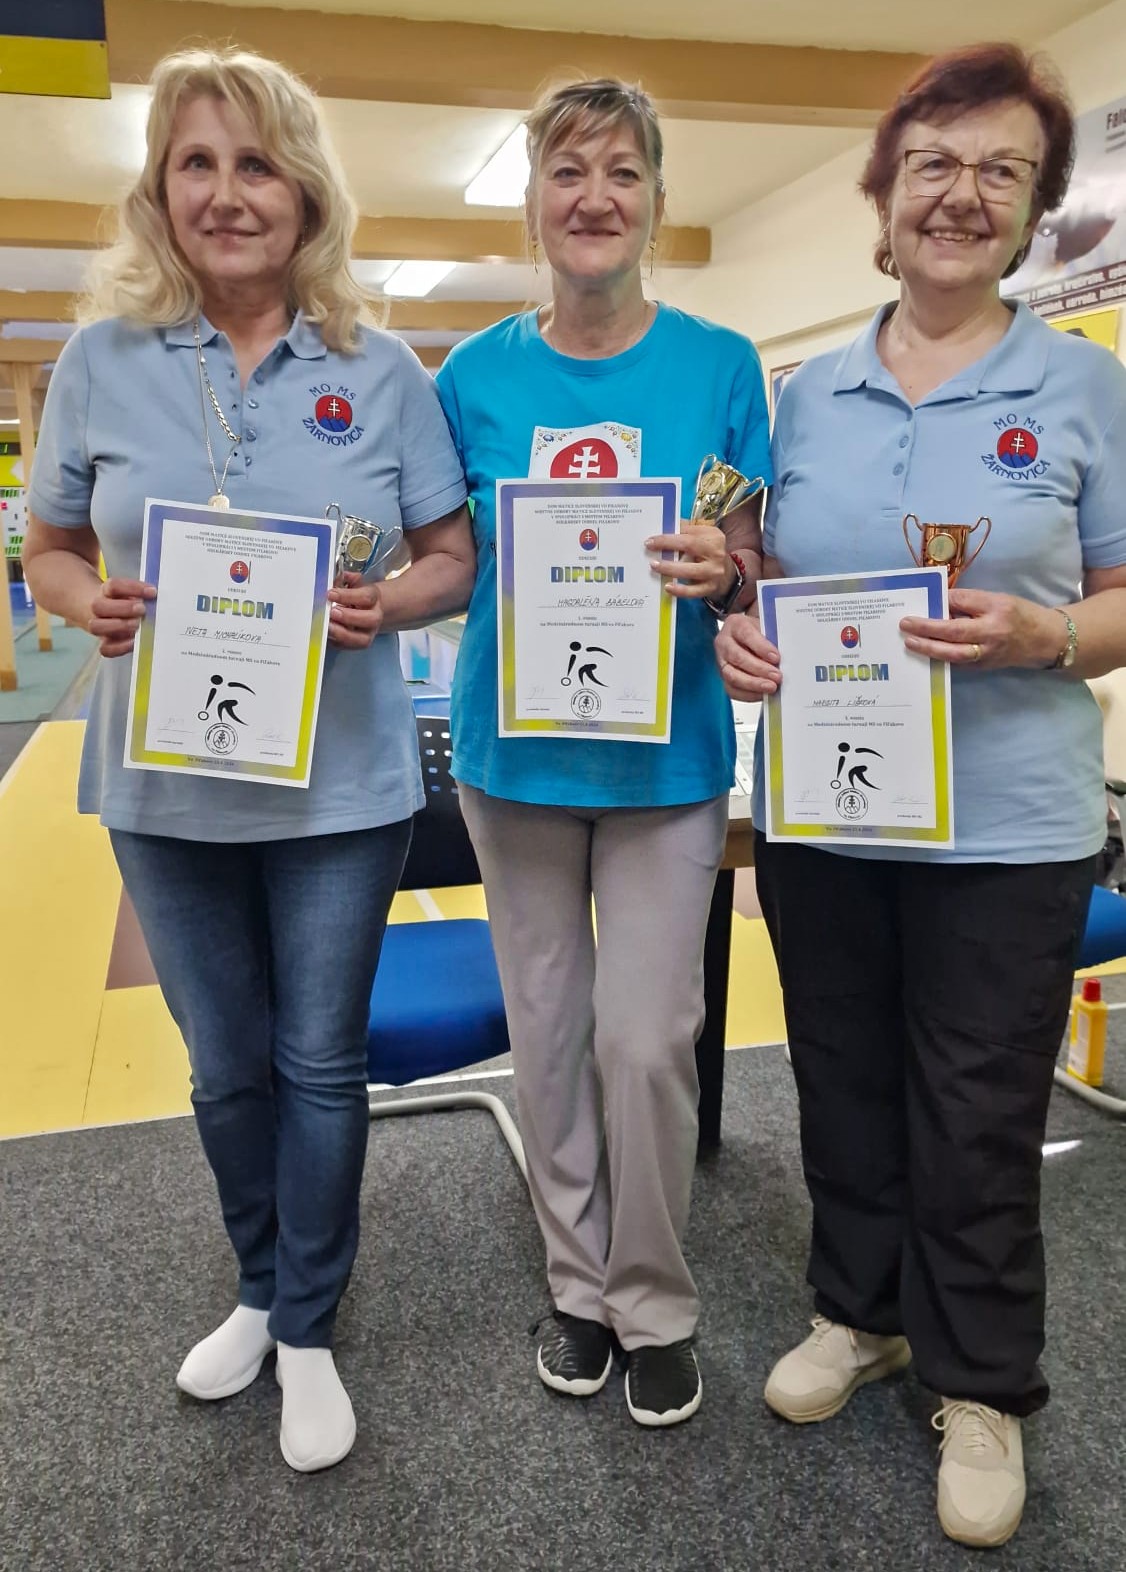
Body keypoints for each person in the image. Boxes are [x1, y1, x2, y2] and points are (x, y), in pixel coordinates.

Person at [22, 47, 474, 1473]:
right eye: (196, 164)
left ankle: (309, 1327)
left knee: (318, 1060)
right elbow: (47, 546)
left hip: (338, 785)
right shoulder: (100, 362)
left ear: (306, 193)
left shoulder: (380, 368)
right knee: (225, 1069)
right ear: (161, 191)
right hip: (165, 788)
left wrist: (388, 600)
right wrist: (84, 600)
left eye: (258, 164)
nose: (227, 193)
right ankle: (259, 1285)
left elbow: (451, 556)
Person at [716, 43, 1126, 1547]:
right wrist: (741, 628)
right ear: (884, 197)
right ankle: (862, 1311)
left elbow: (1121, 594)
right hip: (830, 806)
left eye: (1001, 171)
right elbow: (761, 571)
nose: (962, 194)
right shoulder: (802, 395)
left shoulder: (1084, 386)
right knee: (840, 1072)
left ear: (1031, 211)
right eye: (934, 164)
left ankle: (983, 1383)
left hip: (1010, 821)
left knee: (977, 1105)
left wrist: (1049, 636)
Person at [435, 78, 771, 1427]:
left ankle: (656, 1297)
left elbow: (752, 556)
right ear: (532, 203)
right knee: (550, 1031)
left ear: (657, 203)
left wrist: (723, 572)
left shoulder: (722, 366)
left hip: (664, 758)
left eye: (622, 173)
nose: (594, 198)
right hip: (512, 759)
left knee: (647, 1039)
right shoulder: (470, 377)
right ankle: (579, 1287)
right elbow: (442, 557)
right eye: (567, 173)